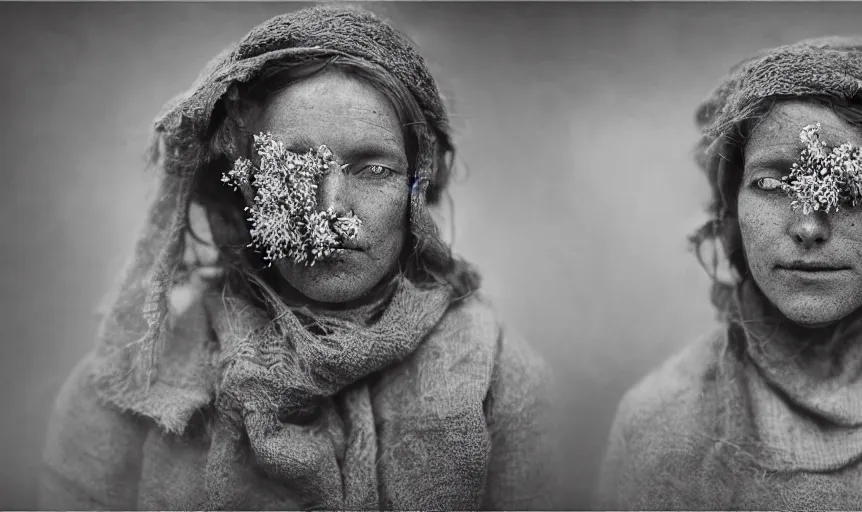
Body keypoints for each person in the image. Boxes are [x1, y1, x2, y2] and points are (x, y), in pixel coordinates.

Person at [39, 5, 556, 510]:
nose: (330, 210)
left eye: (372, 170)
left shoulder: (498, 383)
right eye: (293, 166)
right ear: (242, 186)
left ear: (417, 188)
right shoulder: (126, 399)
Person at [597, 36, 862, 510]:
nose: (808, 226)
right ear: (731, 206)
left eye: (851, 188)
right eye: (772, 183)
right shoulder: (665, 424)